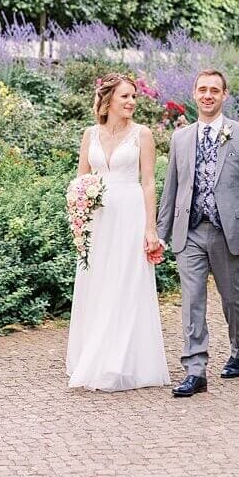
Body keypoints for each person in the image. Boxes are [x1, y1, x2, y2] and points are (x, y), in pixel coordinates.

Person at [156, 68, 239, 397]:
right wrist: (160, 233)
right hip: (188, 232)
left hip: (227, 231)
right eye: (202, 89)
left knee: (233, 299)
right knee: (191, 301)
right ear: (194, 94)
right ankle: (195, 369)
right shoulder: (180, 138)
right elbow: (171, 189)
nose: (208, 95)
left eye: (214, 90)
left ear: (224, 95)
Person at [65, 73, 170, 391]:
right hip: (97, 221)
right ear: (107, 100)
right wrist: (79, 214)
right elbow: (81, 181)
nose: (131, 102)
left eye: (134, 97)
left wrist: (151, 228)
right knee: (98, 283)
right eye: (125, 96)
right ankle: (94, 355)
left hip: (129, 215)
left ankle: (119, 363)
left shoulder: (143, 135)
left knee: (126, 283)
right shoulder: (89, 134)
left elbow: (149, 182)